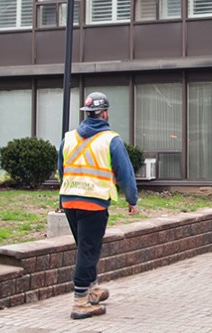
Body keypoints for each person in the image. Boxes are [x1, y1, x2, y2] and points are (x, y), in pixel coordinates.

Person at [58, 91, 139, 319]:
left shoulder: (69, 137)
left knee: (86, 248)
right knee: (88, 250)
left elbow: (60, 170)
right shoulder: (111, 140)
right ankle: (80, 302)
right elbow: (126, 174)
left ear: (86, 113)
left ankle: (92, 289)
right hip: (93, 204)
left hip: (69, 201)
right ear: (105, 113)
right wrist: (132, 200)